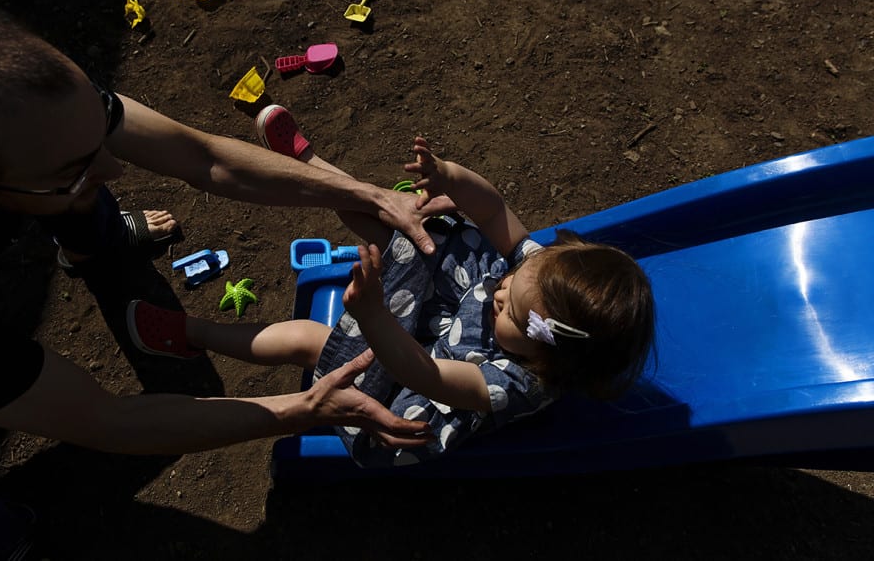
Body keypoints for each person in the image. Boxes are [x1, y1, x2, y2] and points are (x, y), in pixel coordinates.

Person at [0, 0, 444, 558]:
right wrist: (306, 409)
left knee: (77, 189)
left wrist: (361, 192)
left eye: (99, 128)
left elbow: (202, 157)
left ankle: (89, 237)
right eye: (78, 167)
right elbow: (105, 420)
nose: (113, 170)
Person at [129, 105, 656, 468]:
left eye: (512, 313)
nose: (503, 290)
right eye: (514, 280)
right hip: (449, 328)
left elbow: (421, 371)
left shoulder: (519, 384)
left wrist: (376, 318)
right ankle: (312, 171)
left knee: (313, 341)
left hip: (413, 387)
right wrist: (451, 177)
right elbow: (494, 210)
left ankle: (191, 333)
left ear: (548, 358)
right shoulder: (536, 283)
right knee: (415, 229)